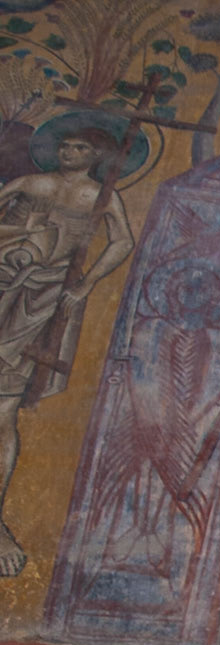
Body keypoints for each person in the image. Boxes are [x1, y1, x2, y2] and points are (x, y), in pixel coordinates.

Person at [0, 125, 135, 576]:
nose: (70, 152)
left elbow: (122, 241)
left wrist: (87, 282)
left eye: (80, 147)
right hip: (4, 278)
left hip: (41, 304)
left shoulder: (97, 196)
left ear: (96, 154)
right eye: (64, 144)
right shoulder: (30, 184)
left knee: (4, 411)